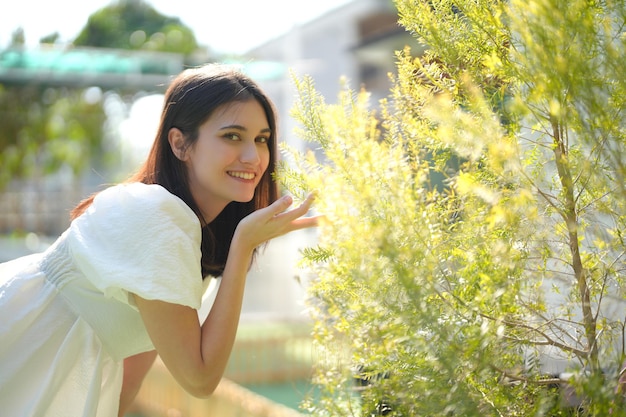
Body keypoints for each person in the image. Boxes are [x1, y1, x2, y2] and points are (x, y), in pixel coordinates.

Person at [0, 63, 319, 417]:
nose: (253, 156)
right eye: (232, 135)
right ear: (180, 144)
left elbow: (129, 378)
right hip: (19, 348)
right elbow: (199, 379)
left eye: (261, 139)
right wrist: (241, 247)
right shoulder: (155, 216)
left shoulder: (189, 240)